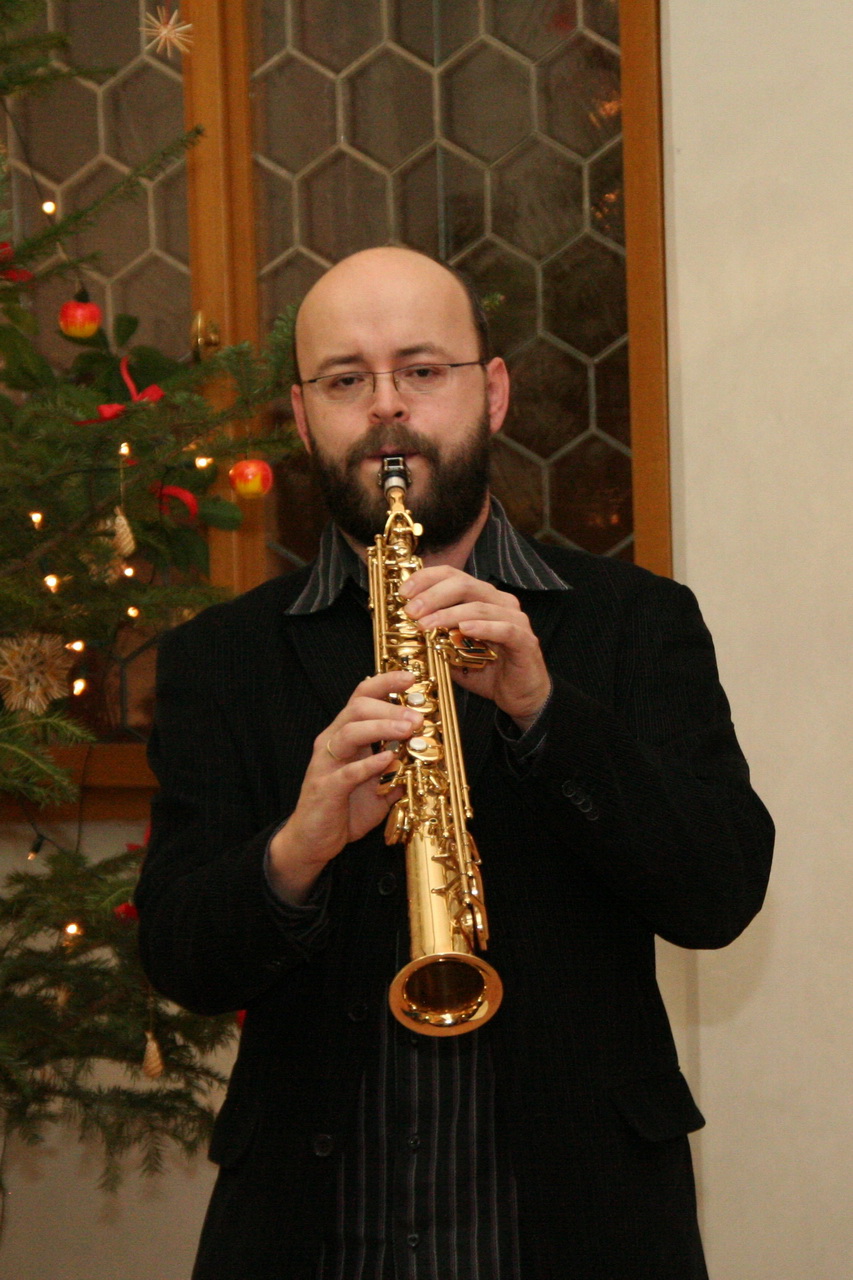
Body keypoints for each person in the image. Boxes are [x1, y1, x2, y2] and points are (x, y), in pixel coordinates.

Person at [136, 247, 774, 1280]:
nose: (386, 407)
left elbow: (719, 891)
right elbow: (180, 957)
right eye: (345, 379)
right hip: (314, 1232)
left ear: (494, 391)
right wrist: (297, 848)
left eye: (422, 370)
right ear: (301, 417)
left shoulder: (636, 621)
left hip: (580, 1229)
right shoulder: (221, 657)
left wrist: (543, 712)